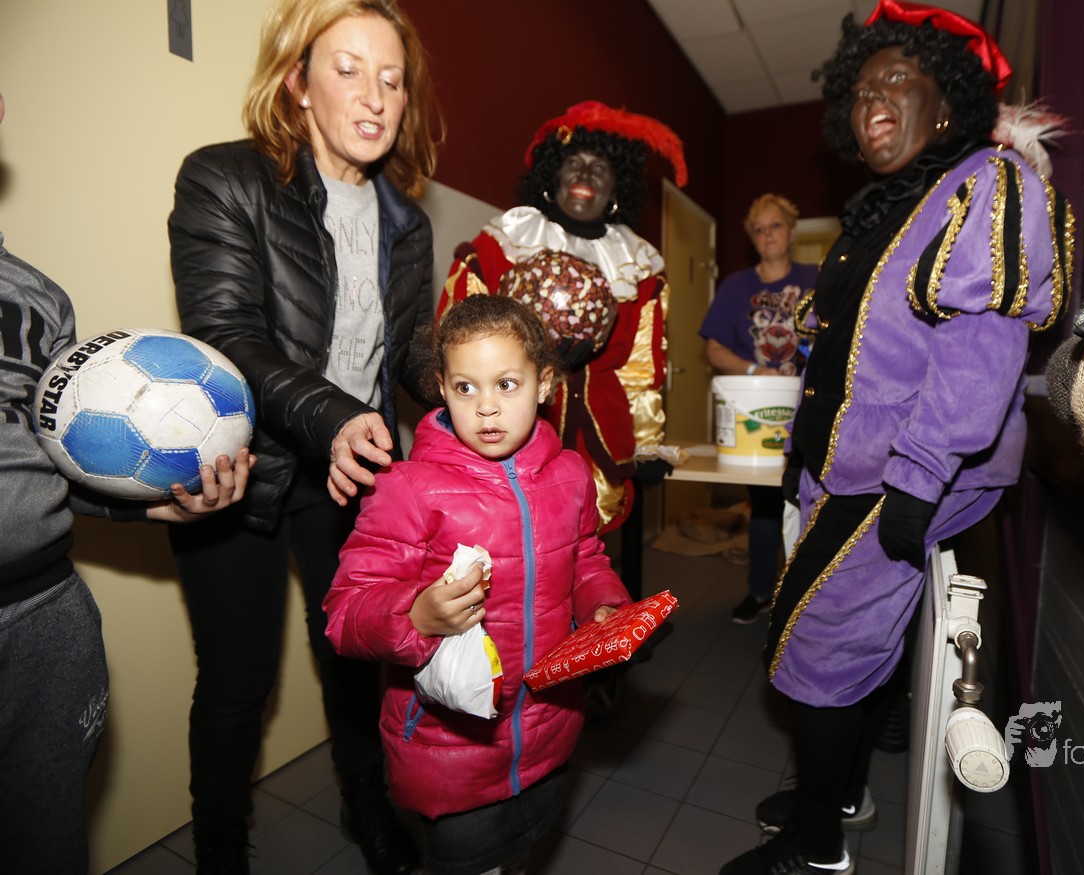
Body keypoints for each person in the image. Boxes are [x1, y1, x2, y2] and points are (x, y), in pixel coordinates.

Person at [721, 2, 1072, 873]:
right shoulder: (886, 206)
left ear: (947, 102)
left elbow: (979, 349)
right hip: (845, 465)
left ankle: (815, 845)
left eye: (898, 80)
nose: (872, 98)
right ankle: (838, 793)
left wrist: (918, 478)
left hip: (901, 472)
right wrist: (801, 451)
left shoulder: (986, 182)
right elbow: (845, 348)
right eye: (860, 88)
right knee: (844, 639)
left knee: (819, 646)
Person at [165, 1, 441, 871]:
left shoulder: (408, 222)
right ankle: (220, 847)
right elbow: (226, 334)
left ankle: (367, 804)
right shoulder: (223, 178)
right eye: (347, 69)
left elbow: (411, 352)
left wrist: (479, 384)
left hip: (350, 477)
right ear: (297, 81)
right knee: (236, 683)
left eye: (391, 79)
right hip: (237, 472)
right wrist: (334, 416)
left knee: (353, 659)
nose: (374, 96)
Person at [0, 91, 256, 875]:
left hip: (44, 617)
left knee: (46, 844)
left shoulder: (38, 298)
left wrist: (151, 507)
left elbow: (53, 459)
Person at [324, 294, 632, 875]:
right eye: (466, 388)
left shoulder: (570, 475)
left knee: (522, 856)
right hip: (449, 751)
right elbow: (345, 613)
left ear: (544, 384)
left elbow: (586, 558)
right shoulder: (408, 488)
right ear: (442, 388)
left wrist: (604, 606)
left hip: (549, 732)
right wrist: (415, 616)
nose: (486, 407)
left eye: (507, 385)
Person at [440, 100, 687, 539]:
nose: (585, 175)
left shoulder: (640, 267)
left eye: (600, 168)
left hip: (600, 439)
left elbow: (642, 367)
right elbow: (455, 337)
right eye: (574, 163)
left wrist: (648, 443)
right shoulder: (502, 244)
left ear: (617, 187)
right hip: (504, 428)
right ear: (553, 175)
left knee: (585, 555)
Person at [698, 194, 818, 624]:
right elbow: (714, 348)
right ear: (753, 238)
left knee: (813, 500)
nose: (768, 235)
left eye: (776, 226)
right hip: (757, 411)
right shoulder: (736, 287)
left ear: (792, 231)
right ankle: (761, 591)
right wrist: (755, 369)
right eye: (760, 229)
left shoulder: (816, 278)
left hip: (811, 408)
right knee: (766, 503)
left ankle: (809, 596)